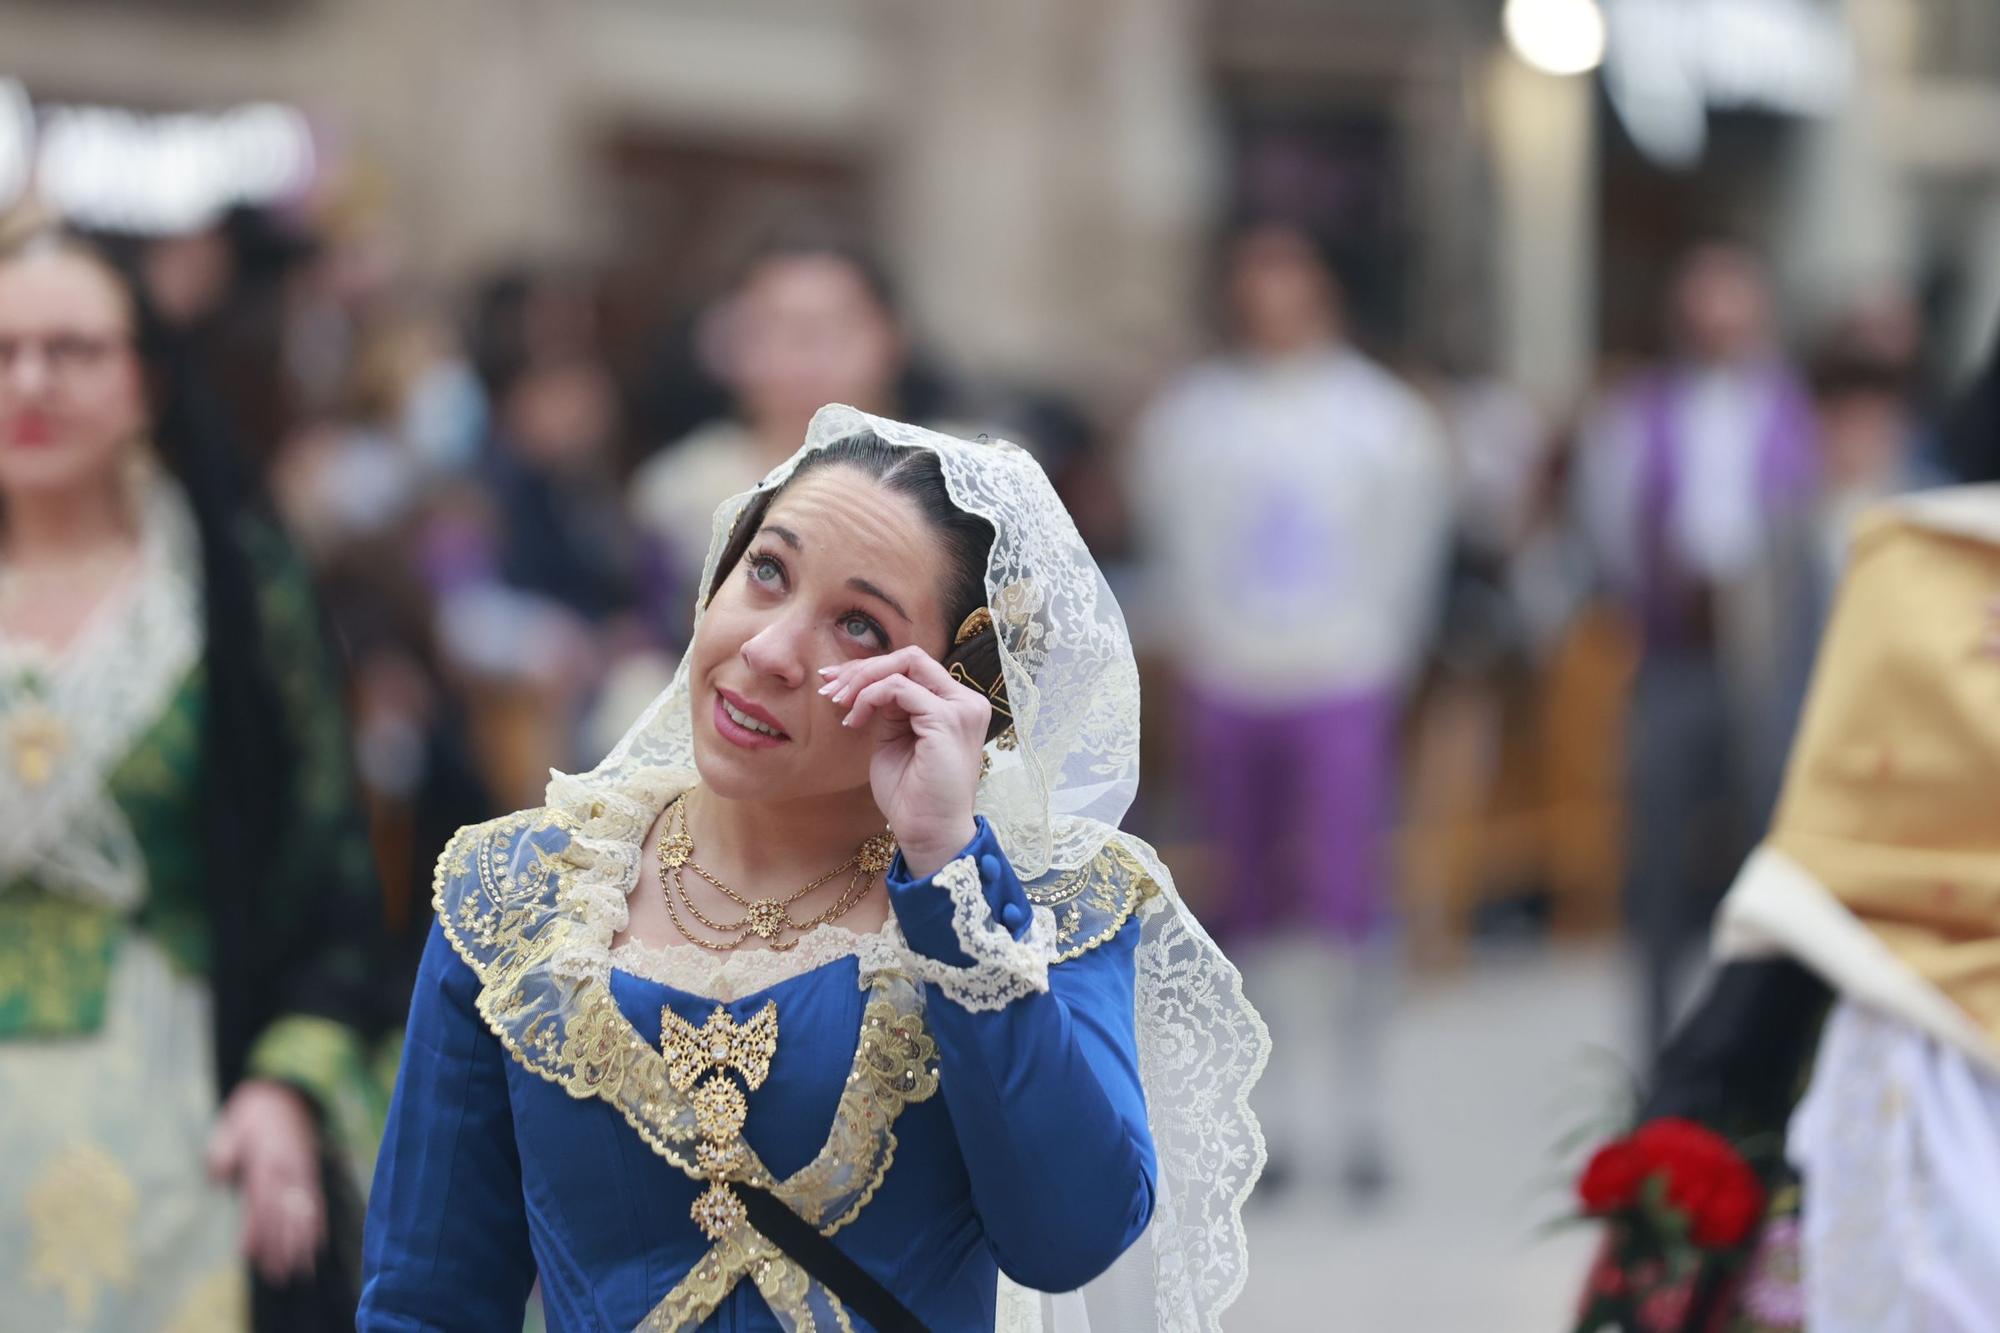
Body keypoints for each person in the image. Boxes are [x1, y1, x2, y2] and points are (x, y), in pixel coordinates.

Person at [361, 405, 1269, 1331]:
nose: (768, 650)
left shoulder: (1035, 906)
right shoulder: (516, 891)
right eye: (767, 572)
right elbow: (425, 1297)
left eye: (860, 627)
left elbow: (1067, 1234)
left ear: (949, 689)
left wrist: (946, 865)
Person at [0, 220, 389, 1329]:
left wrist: (283, 1086)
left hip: (172, 1105)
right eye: (1, 350)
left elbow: (330, 884)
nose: (29, 381)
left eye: (70, 349)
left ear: (147, 377)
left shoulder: (229, 591)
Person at [1128, 219, 1451, 1199]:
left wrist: (1374, 654)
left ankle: (1358, 1112)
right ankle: (1263, 1116)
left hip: (1337, 674)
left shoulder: (1381, 420)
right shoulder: (1192, 418)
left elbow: (1408, 550)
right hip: (1233, 675)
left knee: (1347, 896)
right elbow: (1173, 537)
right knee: (1244, 899)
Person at [1574, 242, 1820, 1058]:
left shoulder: (1792, 409)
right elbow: (1608, 518)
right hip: (1677, 650)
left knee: (1765, 849)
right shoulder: (1643, 408)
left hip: (1768, 664)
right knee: (1660, 854)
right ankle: (1656, 1047)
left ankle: (1756, 1042)